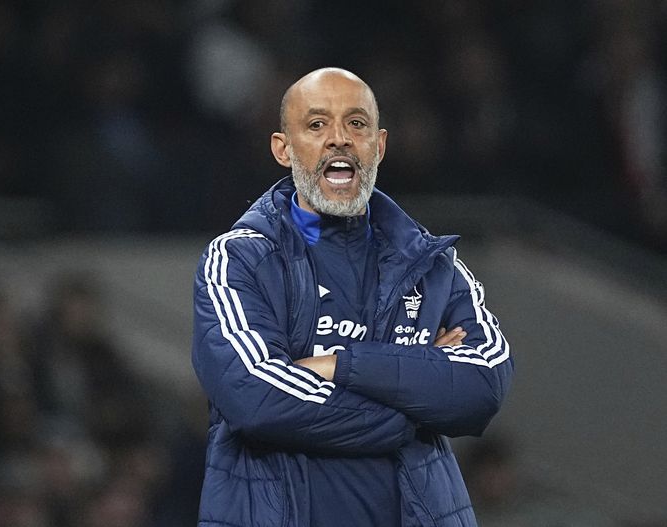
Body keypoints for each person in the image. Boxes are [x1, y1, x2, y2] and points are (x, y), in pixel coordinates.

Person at [191, 67, 513, 526]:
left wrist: (339, 365)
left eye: (356, 124)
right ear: (283, 149)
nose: (339, 139)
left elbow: (483, 385)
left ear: (378, 146)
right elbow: (255, 399)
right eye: (317, 125)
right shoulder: (239, 260)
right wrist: (410, 411)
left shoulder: (434, 266)